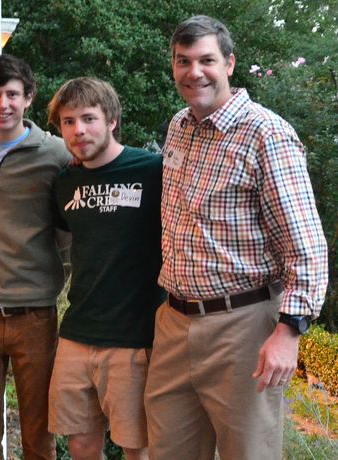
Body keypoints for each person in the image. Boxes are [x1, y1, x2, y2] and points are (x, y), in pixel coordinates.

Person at [144, 15, 329, 460]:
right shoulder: (179, 127)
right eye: (183, 61)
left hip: (243, 328)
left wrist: (289, 330)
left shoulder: (267, 134)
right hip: (173, 321)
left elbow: (306, 245)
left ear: (229, 63)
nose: (194, 72)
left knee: (249, 453)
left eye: (206, 60)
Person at [0, 53, 70, 460]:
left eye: (11, 94)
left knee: (39, 433)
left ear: (28, 98)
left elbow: (71, 225)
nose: (2, 103)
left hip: (34, 316)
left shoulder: (57, 154)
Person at [46, 77, 164, 460]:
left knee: (137, 445)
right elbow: (67, 240)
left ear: (111, 120)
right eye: (68, 121)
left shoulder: (152, 171)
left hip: (135, 337)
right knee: (79, 443)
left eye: (88, 118)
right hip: (77, 332)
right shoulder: (65, 183)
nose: (78, 130)